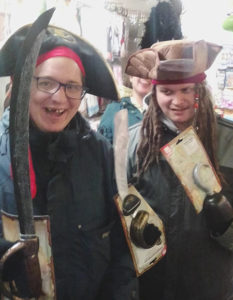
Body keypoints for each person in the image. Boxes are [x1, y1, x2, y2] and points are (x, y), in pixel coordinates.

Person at [0, 24, 138, 300]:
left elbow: (127, 246)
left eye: (72, 87)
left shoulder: (102, 155)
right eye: (46, 83)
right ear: (21, 84)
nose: (59, 98)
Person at [125, 39, 233, 300]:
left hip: (208, 287)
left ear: (200, 91)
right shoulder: (133, 143)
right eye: (167, 92)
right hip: (152, 286)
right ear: (154, 94)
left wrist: (225, 226)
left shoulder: (227, 142)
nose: (178, 100)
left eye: (186, 89)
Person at [98, 76, 153, 144]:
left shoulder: (163, 110)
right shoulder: (114, 110)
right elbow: (103, 149)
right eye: (140, 70)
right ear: (131, 77)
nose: (145, 76)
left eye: (150, 70)